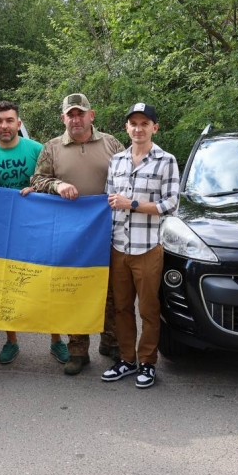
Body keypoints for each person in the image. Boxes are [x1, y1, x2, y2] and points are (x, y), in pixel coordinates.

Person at [30, 93, 125, 375]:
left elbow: (129, 175)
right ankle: (77, 351)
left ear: (91, 115)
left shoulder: (112, 144)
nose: (75, 119)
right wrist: (57, 185)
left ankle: (111, 342)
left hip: (108, 230)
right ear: (63, 118)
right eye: (70, 115)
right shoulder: (52, 148)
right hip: (69, 233)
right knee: (73, 290)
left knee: (110, 290)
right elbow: (37, 179)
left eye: (80, 113)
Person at [0, 101, 70, 365]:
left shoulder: (37, 149)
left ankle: (56, 340)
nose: (5, 125)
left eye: (9, 120)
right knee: (6, 287)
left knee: (45, 284)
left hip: (37, 229)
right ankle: (11, 341)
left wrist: (38, 191)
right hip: (1, 233)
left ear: (18, 123)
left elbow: (49, 183)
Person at [101, 102, 179, 389]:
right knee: (121, 308)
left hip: (147, 248)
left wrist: (132, 204)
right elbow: (107, 201)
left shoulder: (166, 160)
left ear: (154, 128)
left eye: (144, 123)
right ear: (126, 128)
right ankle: (126, 359)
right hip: (118, 247)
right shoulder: (116, 161)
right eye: (133, 123)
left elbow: (171, 204)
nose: (138, 128)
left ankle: (147, 363)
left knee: (148, 309)